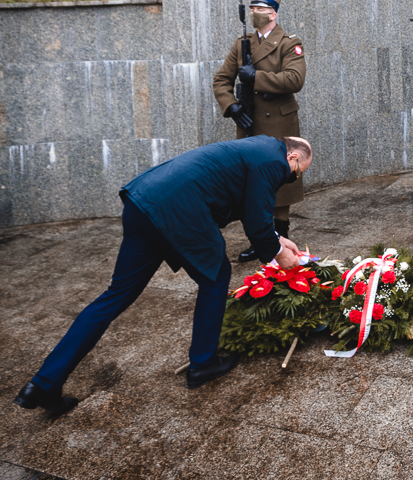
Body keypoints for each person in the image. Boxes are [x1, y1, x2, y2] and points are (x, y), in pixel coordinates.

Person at [13, 135, 313, 418]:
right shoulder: (274, 161)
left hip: (143, 201)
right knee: (216, 277)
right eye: (297, 172)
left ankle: (44, 383)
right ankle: (203, 364)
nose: (292, 178)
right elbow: (258, 222)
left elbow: (251, 210)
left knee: (115, 295)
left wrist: (275, 239)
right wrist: (279, 254)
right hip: (177, 210)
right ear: (293, 155)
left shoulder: (257, 148)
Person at [213, 0, 306, 262]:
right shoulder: (242, 44)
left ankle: (279, 237)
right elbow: (221, 80)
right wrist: (232, 107)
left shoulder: (290, 43)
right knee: (251, 182)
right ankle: (259, 239)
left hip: (279, 122)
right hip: (251, 123)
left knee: (281, 181)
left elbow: (294, 80)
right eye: (251, 9)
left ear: (273, 14)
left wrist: (257, 77)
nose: (254, 14)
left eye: (260, 9)